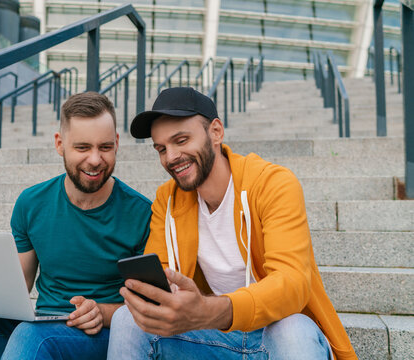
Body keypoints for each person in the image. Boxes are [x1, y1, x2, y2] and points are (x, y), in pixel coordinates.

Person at [107, 87, 357, 360]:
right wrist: (167, 299)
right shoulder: (168, 199)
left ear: (216, 132)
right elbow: (164, 272)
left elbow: (292, 282)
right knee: (127, 320)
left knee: (293, 331)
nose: (171, 157)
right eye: (161, 148)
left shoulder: (273, 184)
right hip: (212, 336)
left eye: (181, 140)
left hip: (276, 331)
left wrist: (210, 309)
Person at [0, 92, 152, 360]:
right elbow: (16, 286)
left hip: (99, 336)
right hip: (38, 329)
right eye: (83, 147)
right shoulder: (32, 203)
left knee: (31, 335)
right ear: (60, 144)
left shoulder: (141, 213)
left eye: (105, 147)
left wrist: (102, 312)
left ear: (117, 143)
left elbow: (150, 308)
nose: (95, 159)